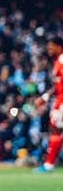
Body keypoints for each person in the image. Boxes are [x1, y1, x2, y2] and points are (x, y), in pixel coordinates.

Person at [35, 36, 63, 172]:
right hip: (59, 99)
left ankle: (49, 164)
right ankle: (49, 163)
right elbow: (57, 85)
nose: (49, 49)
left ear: (59, 46)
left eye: (51, 46)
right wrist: (45, 97)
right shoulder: (57, 61)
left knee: (55, 129)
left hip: (62, 101)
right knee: (55, 129)